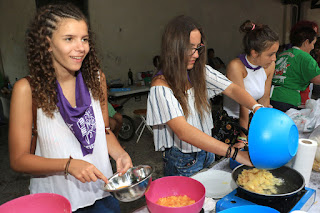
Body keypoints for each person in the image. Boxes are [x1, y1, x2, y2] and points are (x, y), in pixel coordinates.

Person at [8, 3, 132, 212]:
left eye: (84, 39)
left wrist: (119, 154)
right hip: (56, 201)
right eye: (69, 39)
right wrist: (68, 165)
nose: (81, 47)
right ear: (47, 43)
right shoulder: (28, 90)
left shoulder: (96, 79)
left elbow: (103, 130)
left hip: (102, 193)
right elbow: (19, 160)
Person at [146, 15, 263, 177]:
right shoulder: (161, 86)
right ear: (173, 48)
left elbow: (232, 89)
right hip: (183, 159)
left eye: (198, 47)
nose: (196, 54)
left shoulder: (200, 72)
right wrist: (235, 153)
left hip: (207, 150)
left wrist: (257, 108)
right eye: (190, 48)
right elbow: (184, 132)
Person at [223, 20, 279, 142]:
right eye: (270, 54)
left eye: (275, 53)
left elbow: (264, 98)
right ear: (254, 53)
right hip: (234, 122)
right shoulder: (236, 67)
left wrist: (264, 126)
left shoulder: (270, 65)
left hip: (253, 118)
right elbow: (243, 104)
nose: (274, 58)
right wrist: (243, 136)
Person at [271, 26, 320, 112]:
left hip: (272, 96)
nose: (312, 47)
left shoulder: (283, 54)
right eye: (313, 43)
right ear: (306, 42)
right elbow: (317, 79)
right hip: (288, 100)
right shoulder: (306, 58)